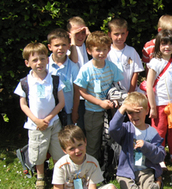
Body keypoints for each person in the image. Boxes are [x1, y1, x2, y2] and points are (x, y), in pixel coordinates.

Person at [14, 42, 65, 189]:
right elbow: (23, 105)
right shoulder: (25, 83)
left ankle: (59, 179)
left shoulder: (55, 80)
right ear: (27, 63)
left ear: (47, 60)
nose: (39, 63)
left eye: (42, 59)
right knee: (38, 153)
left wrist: (49, 118)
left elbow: (61, 102)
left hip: (54, 123)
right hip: (35, 126)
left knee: (58, 152)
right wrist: (36, 120)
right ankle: (40, 179)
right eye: (34, 60)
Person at [74, 31, 123, 162]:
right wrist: (100, 103)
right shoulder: (86, 69)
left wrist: (115, 99)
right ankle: (91, 167)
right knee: (93, 142)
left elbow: (116, 86)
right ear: (89, 50)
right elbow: (82, 92)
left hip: (110, 112)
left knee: (110, 140)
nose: (101, 53)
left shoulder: (112, 67)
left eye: (104, 50)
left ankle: (108, 165)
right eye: (97, 50)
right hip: (93, 112)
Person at [109, 92, 165, 189]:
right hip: (126, 171)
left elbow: (160, 156)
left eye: (138, 112)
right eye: (130, 112)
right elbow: (112, 128)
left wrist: (146, 146)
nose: (134, 116)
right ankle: (132, 185)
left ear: (147, 111)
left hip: (145, 170)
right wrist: (123, 108)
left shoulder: (152, 132)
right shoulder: (126, 129)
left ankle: (158, 180)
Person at [146, 30, 172, 169]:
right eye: (164, 44)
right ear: (158, 45)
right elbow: (149, 85)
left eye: (171, 44)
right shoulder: (155, 62)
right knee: (159, 132)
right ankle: (159, 156)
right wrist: (152, 107)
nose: (167, 47)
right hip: (159, 105)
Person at [47, 28, 80, 126]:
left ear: (69, 46)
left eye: (64, 45)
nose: (60, 48)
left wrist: (75, 111)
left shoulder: (73, 67)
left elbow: (77, 91)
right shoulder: (45, 66)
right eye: (56, 45)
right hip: (49, 112)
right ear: (49, 47)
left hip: (68, 111)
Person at [67, 16, 91, 131]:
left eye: (83, 32)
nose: (81, 36)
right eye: (77, 33)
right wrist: (72, 40)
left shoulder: (87, 47)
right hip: (76, 96)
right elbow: (74, 59)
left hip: (88, 94)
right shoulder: (69, 48)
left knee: (87, 126)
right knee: (78, 127)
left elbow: (98, 44)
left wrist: (89, 35)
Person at [106, 18, 144, 92]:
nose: (120, 37)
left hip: (129, 92)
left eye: (123, 33)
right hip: (111, 94)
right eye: (116, 34)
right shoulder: (106, 52)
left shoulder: (131, 51)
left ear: (127, 33)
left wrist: (130, 92)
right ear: (109, 34)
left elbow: (135, 72)